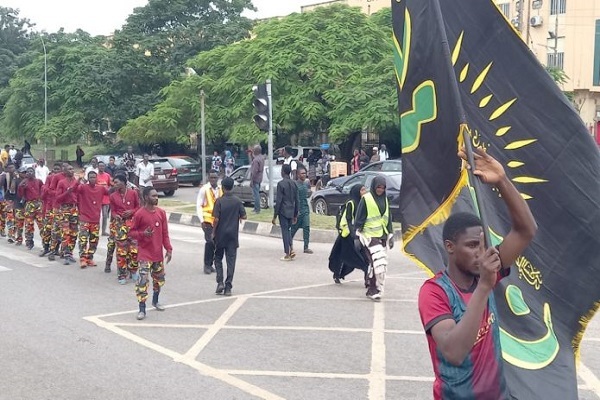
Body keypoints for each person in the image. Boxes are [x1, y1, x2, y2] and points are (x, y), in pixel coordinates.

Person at [418, 147, 537, 400]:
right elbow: (454, 350)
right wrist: (485, 285)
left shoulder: (485, 272)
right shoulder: (435, 291)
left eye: (483, 245)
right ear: (450, 247)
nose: (480, 253)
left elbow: (526, 230)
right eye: (472, 246)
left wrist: (502, 180)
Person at [130, 186, 173, 321]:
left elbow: (165, 233)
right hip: (144, 255)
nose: (156, 198)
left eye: (156, 195)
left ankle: (155, 301)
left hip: (157, 255)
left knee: (159, 280)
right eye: (153, 196)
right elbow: (131, 232)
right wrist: (143, 234)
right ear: (146, 197)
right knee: (142, 281)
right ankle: (142, 308)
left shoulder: (161, 213)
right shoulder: (139, 214)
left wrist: (169, 249)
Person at [354, 175, 393, 301]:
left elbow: (388, 219)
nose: (380, 190)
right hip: (369, 236)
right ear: (374, 186)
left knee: (379, 265)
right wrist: (356, 237)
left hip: (382, 235)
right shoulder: (366, 199)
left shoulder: (385, 199)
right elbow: (359, 217)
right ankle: (373, 289)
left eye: (383, 187)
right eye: (378, 187)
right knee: (377, 262)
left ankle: (373, 288)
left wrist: (390, 236)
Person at [211, 177, 247, 296]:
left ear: (222, 187)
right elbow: (244, 216)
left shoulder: (219, 201)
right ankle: (228, 287)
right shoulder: (237, 201)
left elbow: (215, 219)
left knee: (217, 258)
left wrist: (213, 232)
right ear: (232, 187)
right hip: (232, 236)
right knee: (231, 261)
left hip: (221, 235)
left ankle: (220, 281)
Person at [328, 184, 369, 284]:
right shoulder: (351, 203)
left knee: (363, 257)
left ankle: (367, 278)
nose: (364, 192)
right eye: (362, 190)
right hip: (347, 235)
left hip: (358, 234)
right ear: (357, 191)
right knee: (343, 256)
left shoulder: (363, 202)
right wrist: (353, 234)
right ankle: (337, 274)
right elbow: (348, 219)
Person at [106, 174, 140, 280]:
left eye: (116, 182)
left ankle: (133, 271)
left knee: (134, 250)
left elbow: (138, 207)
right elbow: (113, 211)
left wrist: (132, 211)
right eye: (113, 182)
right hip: (120, 225)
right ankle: (122, 275)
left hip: (133, 225)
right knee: (121, 251)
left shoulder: (133, 193)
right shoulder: (113, 196)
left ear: (123, 182)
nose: (114, 184)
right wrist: (116, 216)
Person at [76, 171, 109, 268]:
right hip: (84, 219)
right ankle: (82, 259)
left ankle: (89, 258)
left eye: (94, 177)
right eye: (90, 177)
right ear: (88, 178)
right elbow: (75, 188)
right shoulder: (83, 187)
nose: (92, 179)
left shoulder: (101, 188)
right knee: (83, 240)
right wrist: (79, 179)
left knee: (94, 240)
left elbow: (111, 192)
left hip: (95, 219)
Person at [196, 170, 222, 274]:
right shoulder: (204, 189)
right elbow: (198, 205)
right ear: (208, 178)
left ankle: (211, 264)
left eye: (215, 178)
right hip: (207, 220)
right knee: (209, 242)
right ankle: (207, 265)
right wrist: (201, 220)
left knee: (216, 243)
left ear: (218, 178)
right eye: (211, 178)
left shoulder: (221, 189)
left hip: (218, 220)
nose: (213, 180)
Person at [272, 164, 298, 261]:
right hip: (291, 211)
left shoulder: (281, 184)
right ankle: (291, 249)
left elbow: (279, 201)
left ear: (283, 172)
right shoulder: (294, 183)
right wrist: (295, 214)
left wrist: (275, 215)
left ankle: (287, 253)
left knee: (285, 231)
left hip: (283, 211)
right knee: (288, 231)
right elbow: (297, 200)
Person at [55, 165, 79, 265]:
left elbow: (79, 195)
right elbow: (58, 198)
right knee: (65, 232)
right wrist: (67, 192)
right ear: (65, 171)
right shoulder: (61, 182)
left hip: (74, 208)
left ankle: (70, 252)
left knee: (74, 233)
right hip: (64, 208)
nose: (72, 170)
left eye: (72, 169)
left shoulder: (76, 182)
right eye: (69, 169)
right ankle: (65, 254)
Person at [18, 167, 43, 250]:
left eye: (31, 171)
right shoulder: (24, 182)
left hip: (38, 204)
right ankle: (29, 242)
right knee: (29, 224)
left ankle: (45, 243)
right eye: (28, 172)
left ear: (34, 172)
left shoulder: (39, 181)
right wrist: (22, 187)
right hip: (29, 204)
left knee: (42, 224)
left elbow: (43, 191)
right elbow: (20, 194)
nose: (29, 173)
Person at [290, 165, 313, 254]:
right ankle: (289, 244)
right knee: (293, 229)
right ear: (298, 175)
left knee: (306, 227)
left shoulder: (306, 184)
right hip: (297, 210)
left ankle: (306, 247)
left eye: (305, 173)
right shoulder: (295, 185)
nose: (304, 175)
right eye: (302, 173)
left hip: (305, 209)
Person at [96, 162, 112, 236]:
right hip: (97, 198)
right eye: (100, 166)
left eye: (103, 166)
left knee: (105, 215)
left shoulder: (107, 175)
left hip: (106, 198)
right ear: (97, 167)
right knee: (96, 215)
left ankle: (103, 231)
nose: (101, 167)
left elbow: (110, 185)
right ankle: (95, 229)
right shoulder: (95, 176)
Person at [250, 145, 264, 214]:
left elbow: (254, 171)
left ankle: (257, 209)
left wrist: (251, 180)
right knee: (257, 193)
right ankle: (256, 208)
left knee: (256, 195)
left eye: (254, 150)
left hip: (255, 179)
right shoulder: (261, 158)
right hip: (260, 178)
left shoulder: (256, 160)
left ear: (256, 151)